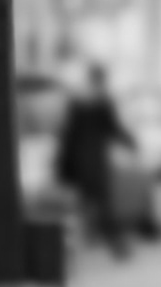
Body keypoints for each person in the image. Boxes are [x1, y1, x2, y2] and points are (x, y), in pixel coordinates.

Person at [56, 62, 137, 259]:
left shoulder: (78, 100)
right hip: (94, 162)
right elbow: (114, 127)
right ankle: (118, 247)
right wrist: (131, 141)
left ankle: (72, 248)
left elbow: (67, 134)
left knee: (82, 205)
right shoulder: (102, 101)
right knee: (103, 205)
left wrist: (62, 163)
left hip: (78, 161)